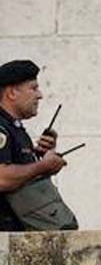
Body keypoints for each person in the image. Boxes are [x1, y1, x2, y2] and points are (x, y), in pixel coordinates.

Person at [0, 60, 66, 231]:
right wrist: (42, 166)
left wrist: (42, 155)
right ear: (12, 93)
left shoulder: (16, 129)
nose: (40, 95)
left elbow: (22, 175)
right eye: (33, 88)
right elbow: (2, 178)